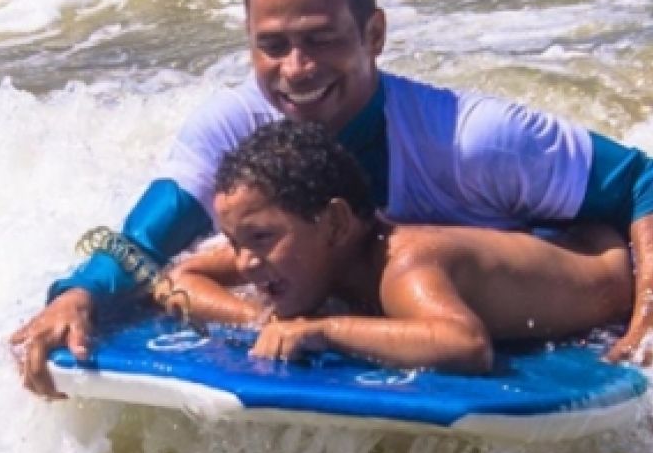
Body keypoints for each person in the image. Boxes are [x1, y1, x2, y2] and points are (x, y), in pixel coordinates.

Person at [11, 0, 653, 398]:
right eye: (273, 46)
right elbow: (152, 244)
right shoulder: (233, 131)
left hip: (549, 281)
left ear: (373, 34)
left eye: (320, 39)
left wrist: (648, 309)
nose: (296, 69)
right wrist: (80, 293)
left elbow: (642, 180)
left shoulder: (472, 140)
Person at [152, 120, 632, 372]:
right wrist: (260, 320)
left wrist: (322, 330)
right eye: (234, 242)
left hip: (612, 266)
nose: (245, 263)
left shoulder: (404, 267)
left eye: (260, 238)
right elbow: (177, 279)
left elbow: (466, 345)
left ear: (335, 222)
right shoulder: (303, 250)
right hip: (551, 242)